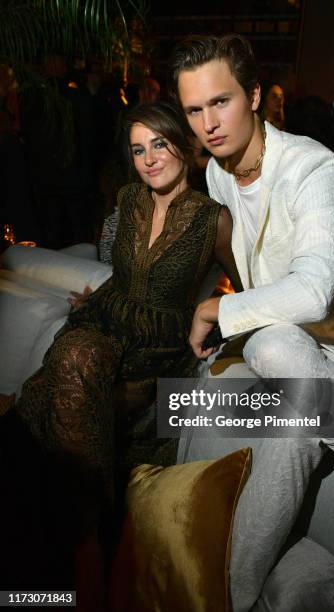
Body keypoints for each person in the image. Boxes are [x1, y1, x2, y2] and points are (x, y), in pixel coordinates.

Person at [169, 34, 334, 611]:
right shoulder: (219, 174)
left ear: (253, 95)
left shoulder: (314, 167)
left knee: (271, 347)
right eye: (194, 110)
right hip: (292, 347)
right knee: (283, 398)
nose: (209, 124)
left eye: (220, 103)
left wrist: (219, 311)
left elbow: (313, 293)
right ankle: (237, 595)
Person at [3, 101, 242, 604]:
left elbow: (250, 289)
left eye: (159, 144)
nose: (149, 158)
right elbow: (121, 273)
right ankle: (86, 550)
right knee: (74, 358)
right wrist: (96, 298)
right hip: (104, 324)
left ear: (185, 144)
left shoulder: (212, 219)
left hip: (157, 347)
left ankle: (71, 561)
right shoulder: (128, 200)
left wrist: (216, 311)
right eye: (138, 149)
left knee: (55, 391)